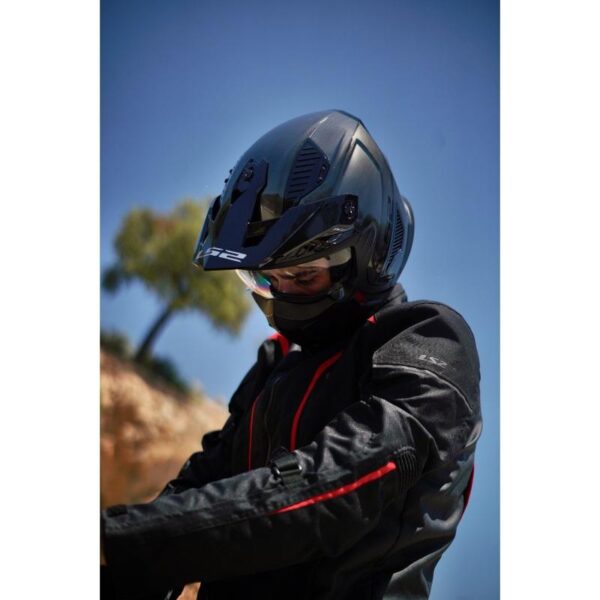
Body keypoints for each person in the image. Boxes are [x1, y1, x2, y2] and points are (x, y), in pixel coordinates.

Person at [101, 109, 482, 600]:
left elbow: (332, 485)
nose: (281, 293)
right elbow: (201, 481)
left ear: (365, 257)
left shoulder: (430, 339)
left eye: (303, 275)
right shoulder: (276, 364)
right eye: (265, 278)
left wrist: (128, 541)